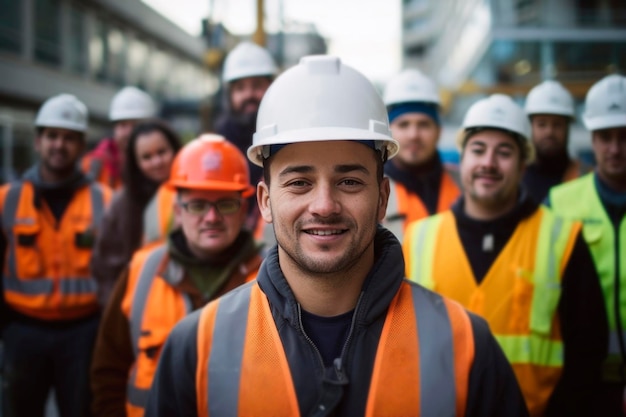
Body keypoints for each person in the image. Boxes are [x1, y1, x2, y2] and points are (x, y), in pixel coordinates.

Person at [144, 55, 527, 417]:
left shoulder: (467, 346)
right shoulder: (196, 348)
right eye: (299, 182)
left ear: (382, 199)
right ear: (264, 201)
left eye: (349, 181)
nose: (324, 205)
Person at [403, 94, 608, 416]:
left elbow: (588, 353)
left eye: (504, 152)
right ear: (463, 158)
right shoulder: (417, 239)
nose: (488, 163)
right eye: (479, 149)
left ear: (523, 163)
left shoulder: (563, 239)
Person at [91, 134, 263, 417]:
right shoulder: (142, 271)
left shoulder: (271, 278)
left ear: (243, 210)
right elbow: (108, 369)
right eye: (197, 205)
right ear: (178, 212)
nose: (211, 217)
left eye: (225, 204)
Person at [0, 94, 112, 417]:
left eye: (69, 138)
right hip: (23, 332)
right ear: (38, 141)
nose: (59, 145)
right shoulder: (8, 200)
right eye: (52, 136)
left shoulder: (104, 201)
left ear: (81, 145)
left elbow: (116, 272)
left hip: (83, 334)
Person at [548, 73, 626, 417]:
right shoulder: (560, 203)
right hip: (582, 379)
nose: (614, 148)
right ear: (591, 138)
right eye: (605, 137)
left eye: (624, 137)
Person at [90, 120, 182, 307]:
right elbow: (106, 265)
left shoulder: (194, 192)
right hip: (140, 304)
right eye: (147, 157)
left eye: (162, 152)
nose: (156, 162)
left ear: (175, 149)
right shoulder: (122, 204)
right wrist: (117, 311)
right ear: (136, 163)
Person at [381, 69, 461, 240]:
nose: (414, 135)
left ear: (439, 131)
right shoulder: (371, 190)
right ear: (388, 132)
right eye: (403, 125)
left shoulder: (465, 184)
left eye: (424, 125)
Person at [214, 41, 278, 236]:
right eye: (240, 88)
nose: (249, 94)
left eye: (257, 86)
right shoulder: (219, 144)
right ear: (230, 95)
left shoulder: (288, 135)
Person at [522, 80, 591, 203]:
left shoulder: (587, 177)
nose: (549, 132)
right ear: (531, 127)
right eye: (542, 124)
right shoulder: (516, 176)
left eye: (557, 125)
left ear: (568, 128)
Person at [82, 86, 157, 190]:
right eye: (123, 125)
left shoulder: (158, 167)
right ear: (114, 127)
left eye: (135, 125)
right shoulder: (91, 165)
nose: (129, 132)